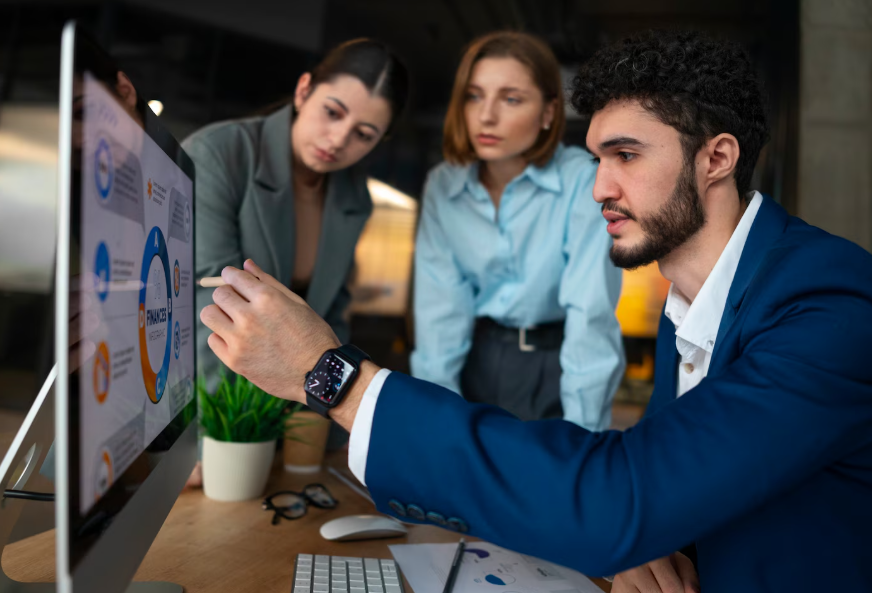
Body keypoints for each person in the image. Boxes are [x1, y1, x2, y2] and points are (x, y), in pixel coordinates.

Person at [198, 30, 872, 592]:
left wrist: (333, 375)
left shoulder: (828, 303)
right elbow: (672, 477)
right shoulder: (694, 298)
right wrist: (644, 532)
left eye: (627, 156)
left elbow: (620, 489)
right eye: (598, 157)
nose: (601, 187)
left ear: (716, 158)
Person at [182, 38, 408, 487]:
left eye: (364, 134)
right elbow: (210, 310)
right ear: (304, 91)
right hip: (203, 411)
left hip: (289, 418)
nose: (339, 139)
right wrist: (224, 436)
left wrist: (333, 416)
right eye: (332, 111)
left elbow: (332, 317)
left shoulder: (353, 198)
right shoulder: (219, 155)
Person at [411, 31, 624, 428]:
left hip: (558, 365)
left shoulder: (584, 182)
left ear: (548, 113)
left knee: (551, 480)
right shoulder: (444, 184)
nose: (486, 116)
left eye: (511, 99)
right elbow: (440, 314)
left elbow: (590, 316)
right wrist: (436, 425)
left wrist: (584, 436)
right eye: (474, 96)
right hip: (475, 357)